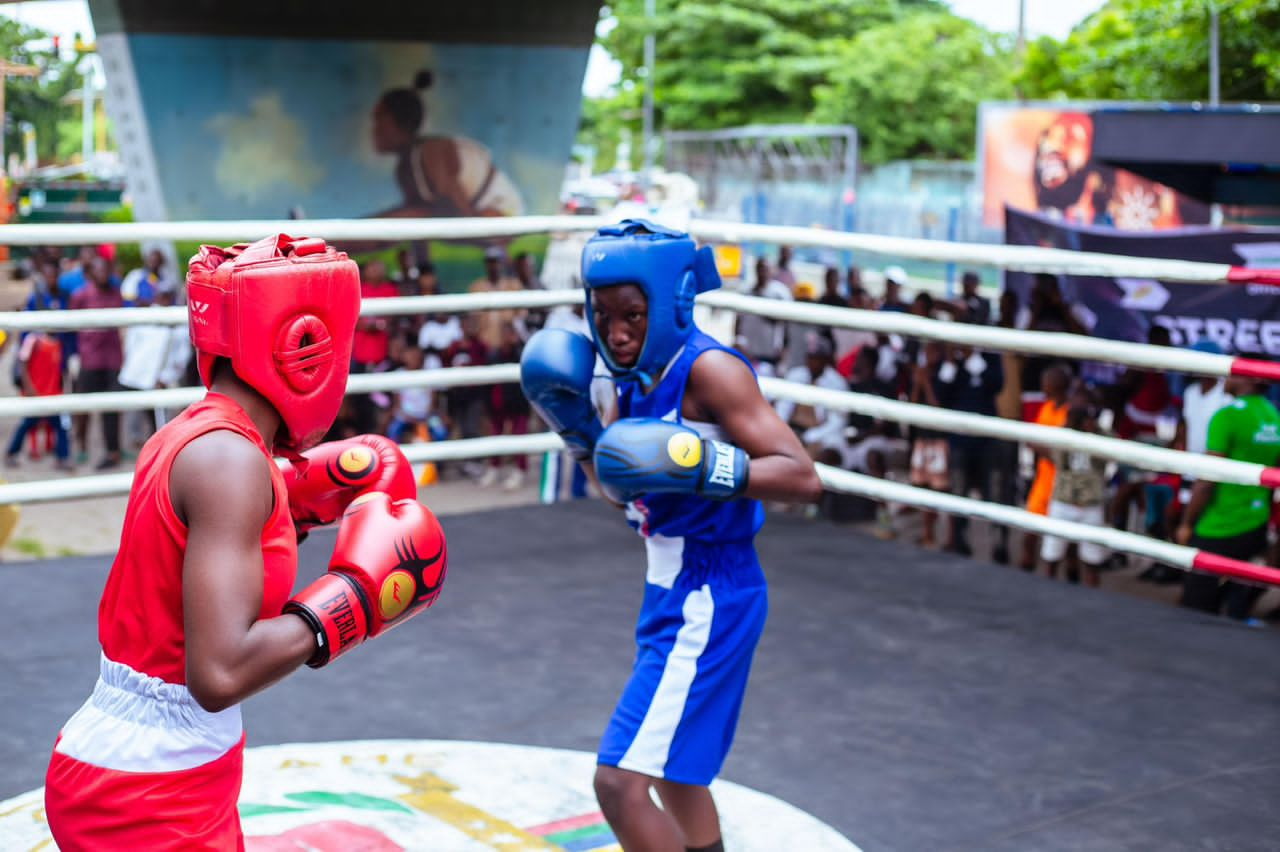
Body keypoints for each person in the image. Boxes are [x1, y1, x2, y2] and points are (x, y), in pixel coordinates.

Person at [43, 234, 447, 849]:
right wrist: (354, 603)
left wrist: (292, 508)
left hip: (158, 769)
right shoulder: (229, 463)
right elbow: (220, 672)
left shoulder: (202, 435)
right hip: (148, 792)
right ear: (304, 345)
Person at [520, 220, 821, 852]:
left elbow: (801, 477)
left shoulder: (711, 372)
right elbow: (624, 489)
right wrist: (579, 435)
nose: (616, 332)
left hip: (713, 589)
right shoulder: (632, 382)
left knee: (619, 783)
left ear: (672, 304)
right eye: (602, 315)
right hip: (671, 587)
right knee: (680, 774)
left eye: (632, 314)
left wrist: (705, 466)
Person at [1177, 375, 1280, 621]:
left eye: (1232, 371)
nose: (1226, 377)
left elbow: (1207, 479)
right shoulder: (1273, 416)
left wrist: (1187, 523)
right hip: (1255, 523)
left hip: (1219, 525)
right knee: (1235, 605)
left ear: (1248, 378)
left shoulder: (1228, 415)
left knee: (1196, 609)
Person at [368, 70, 524, 219]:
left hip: (499, 214)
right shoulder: (406, 168)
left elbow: (459, 212)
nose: (374, 129)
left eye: (378, 119)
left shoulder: (432, 152)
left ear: (397, 121)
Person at [1040, 404, 1110, 586]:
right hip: (1063, 501)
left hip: (1091, 503)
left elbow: (1111, 455)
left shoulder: (1102, 435)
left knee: (1092, 561)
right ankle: (1045, 596)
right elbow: (1057, 459)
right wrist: (1070, 430)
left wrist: (1093, 433)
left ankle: (1092, 603)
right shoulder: (1063, 434)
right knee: (1052, 556)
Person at [68, 256, 125, 469]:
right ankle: (81, 446)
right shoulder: (80, 295)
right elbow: (70, 328)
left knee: (111, 407)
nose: (103, 273)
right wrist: (73, 356)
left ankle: (113, 451)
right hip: (89, 358)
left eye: (105, 269)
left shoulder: (115, 293)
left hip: (112, 359)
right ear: (90, 273)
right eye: (98, 269)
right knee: (84, 406)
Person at [1021, 364, 1072, 571]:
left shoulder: (1070, 413)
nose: (1043, 386)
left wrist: (1040, 447)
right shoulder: (1047, 407)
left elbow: (1060, 454)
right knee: (1030, 533)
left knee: (1065, 544)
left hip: (1063, 484)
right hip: (1043, 479)